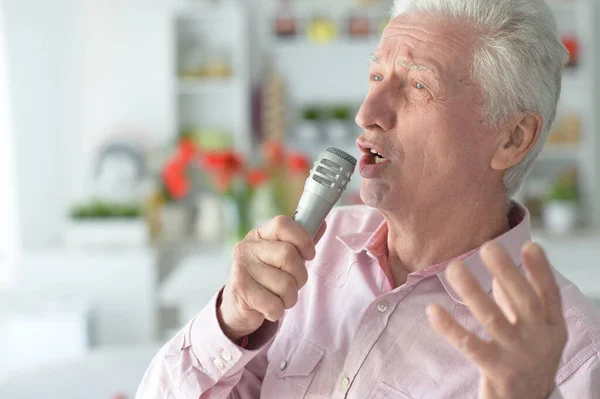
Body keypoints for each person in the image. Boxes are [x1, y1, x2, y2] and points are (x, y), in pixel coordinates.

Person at [137, 0, 600, 397]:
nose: (367, 112)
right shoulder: (316, 253)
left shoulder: (573, 355)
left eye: (418, 85)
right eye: (376, 74)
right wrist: (230, 322)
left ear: (512, 138)